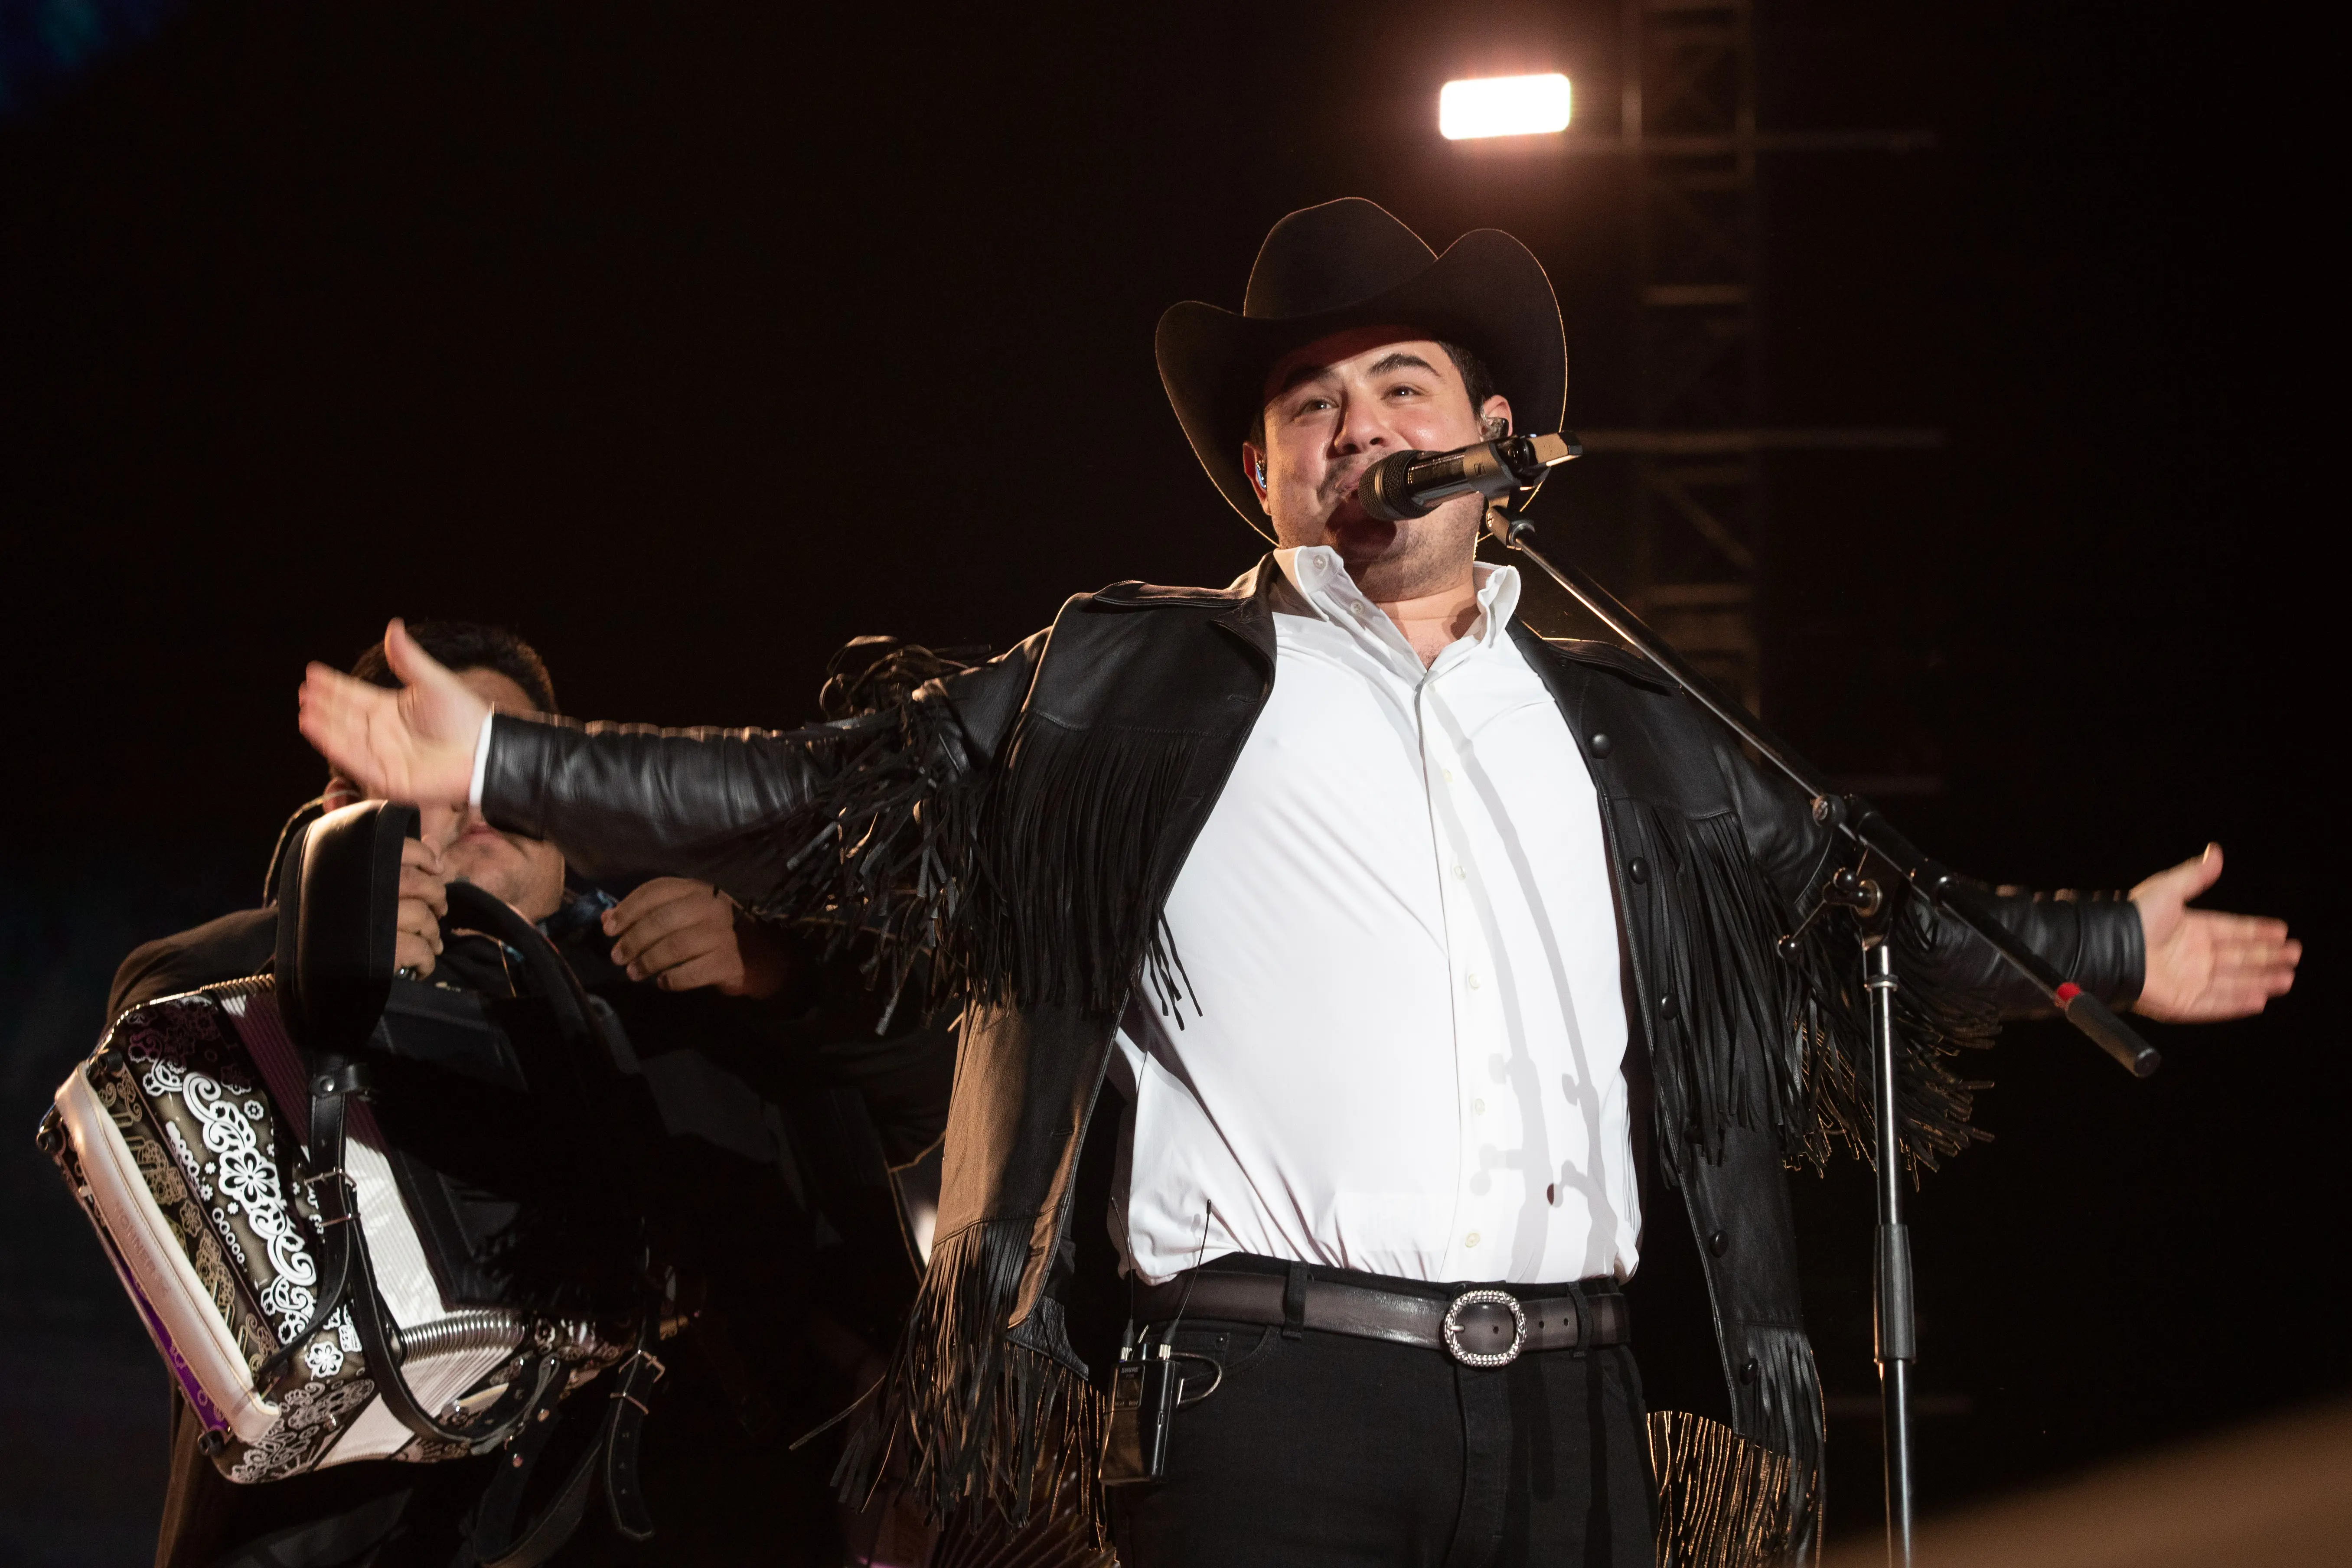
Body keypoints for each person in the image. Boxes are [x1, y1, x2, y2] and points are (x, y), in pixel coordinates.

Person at [294, 201, 2300, 1568]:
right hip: (1270, 1408)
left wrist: (2102, 941)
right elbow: (831, 794)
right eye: (1308, 411)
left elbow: (1858, 912)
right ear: (1263, 480)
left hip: (1581, 1401)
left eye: (1400, 386)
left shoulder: (1628, 722)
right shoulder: (1136, 679)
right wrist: (495, 762)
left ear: (1496, 439)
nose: (1359, 429)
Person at [120, 623, 951, 1568]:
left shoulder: (684, 995)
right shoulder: (282, 981)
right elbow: (146, 1032)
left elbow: (935, 1093)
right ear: (348, 802)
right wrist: (319, 933)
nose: (481, 792)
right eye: (438, 755)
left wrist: (777, 969)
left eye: (505, 764)